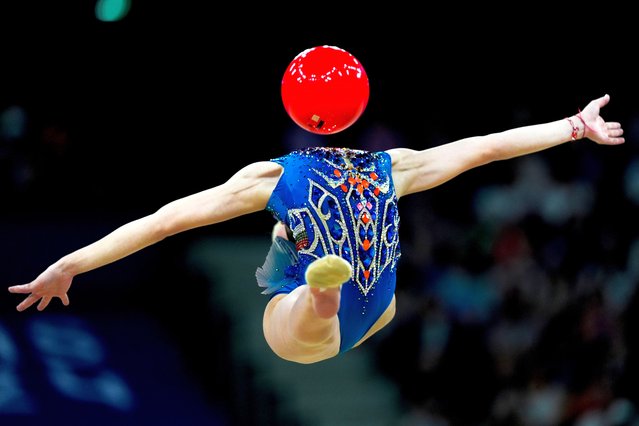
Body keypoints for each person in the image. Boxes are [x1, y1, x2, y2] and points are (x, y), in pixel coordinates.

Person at [8, 94, 625, 365]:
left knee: (290, 321)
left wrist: (72, 263)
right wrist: (573, 125)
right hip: (377, 303)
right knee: (319, 282)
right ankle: (318, 285)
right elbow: (486, 148)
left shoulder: (270, 177)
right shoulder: (394, 165)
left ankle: (315, 292)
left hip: (318, 315)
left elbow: (164, 220)